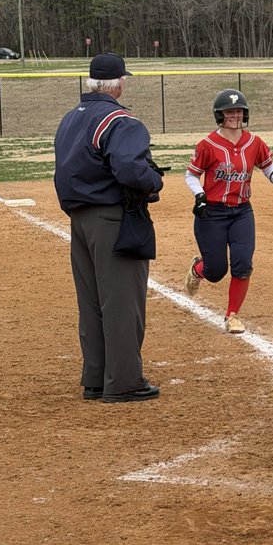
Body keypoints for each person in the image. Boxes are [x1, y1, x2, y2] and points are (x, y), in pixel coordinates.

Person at [53, 52, 164, 403]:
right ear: (117, 83)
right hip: (112, 218)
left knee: (91, 302)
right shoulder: (120, 119)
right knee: (121, 301)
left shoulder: (71, 118)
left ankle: (96, 378)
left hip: (80, 220)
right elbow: (131, 170)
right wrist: (153, 181)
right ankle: (124, 381)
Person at [184, 88, 273, 333]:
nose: (234, 115)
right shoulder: (208, 144)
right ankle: (198, 269)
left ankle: (232, 315)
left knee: (243, 264)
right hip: (212, 213)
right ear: (219, 115)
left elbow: (267, 165)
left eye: (238, 111)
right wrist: (199, 195)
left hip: (242, 211)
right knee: (216, 271)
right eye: (229, 111)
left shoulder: (254, 142)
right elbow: (191, 175)